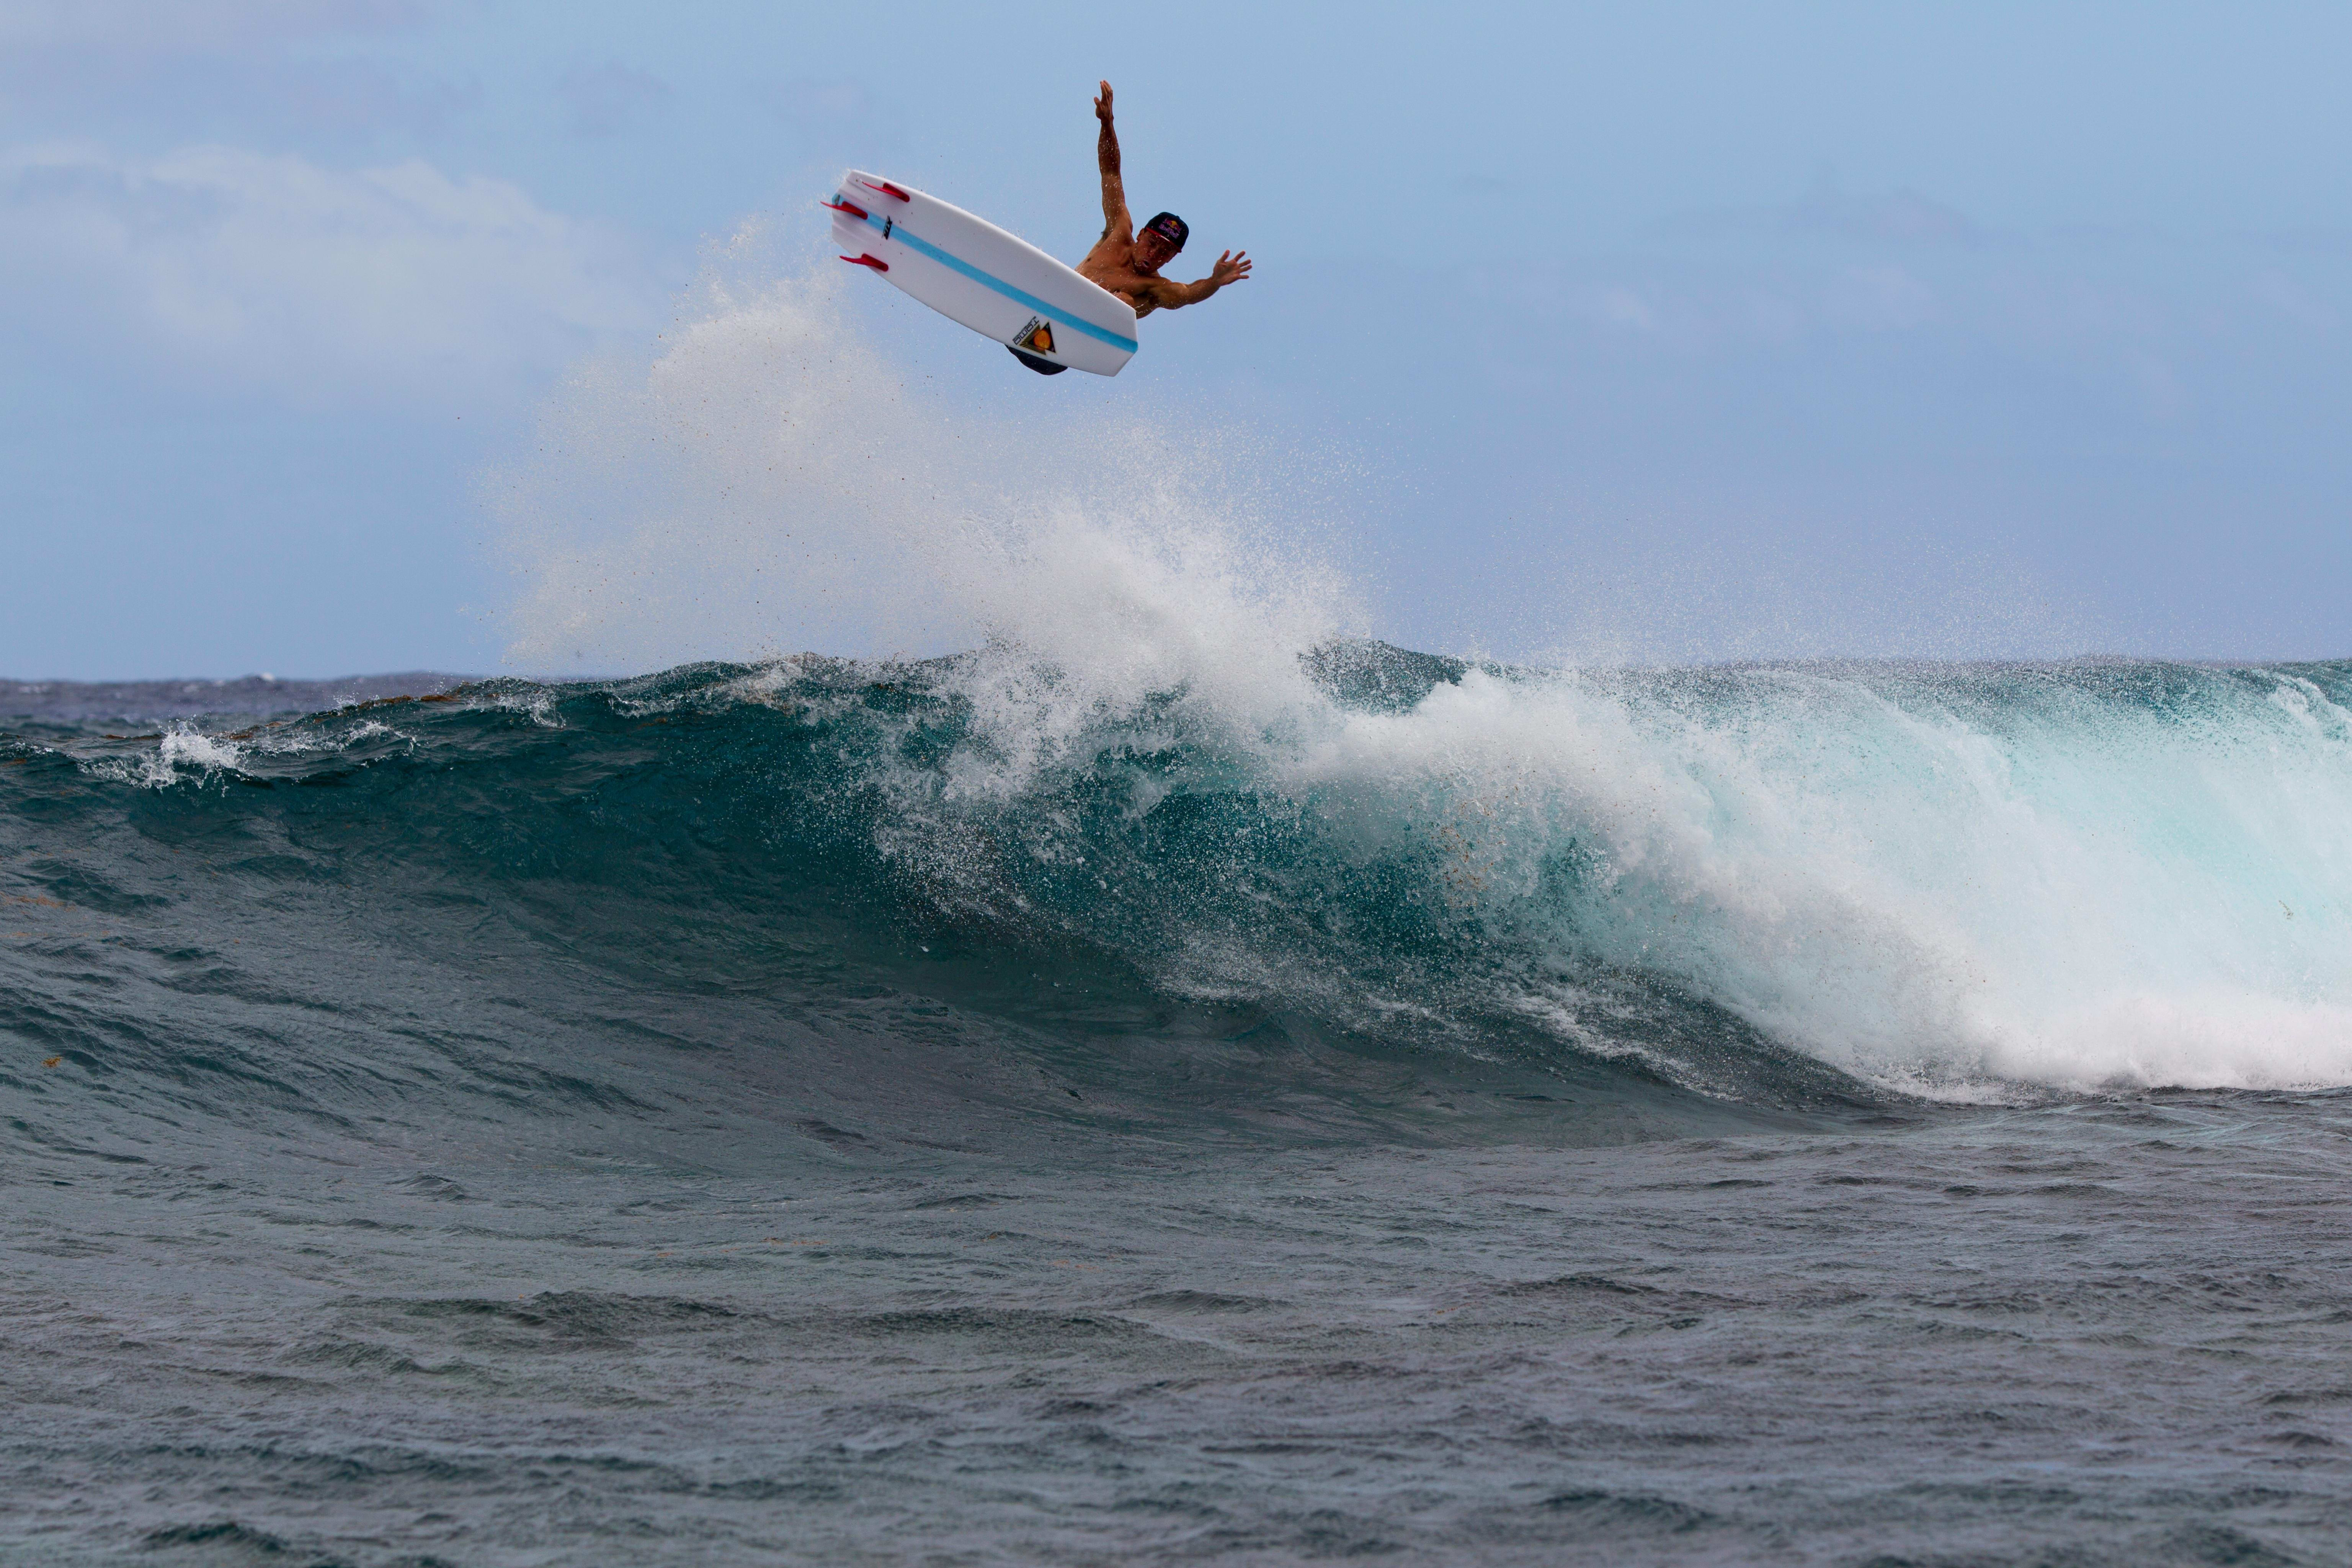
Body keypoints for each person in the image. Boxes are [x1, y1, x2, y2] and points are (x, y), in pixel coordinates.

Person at [1075, 81, 1250, 320]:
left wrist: (1214, 282)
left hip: (1086, 333)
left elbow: (1188, 294)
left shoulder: (1154, 289)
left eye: (1166, 252)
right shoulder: (1119, 232)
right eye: (1153, 243)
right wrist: (1107, 124)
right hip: (1054, 308)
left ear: (1172, 258)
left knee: (1125, 300)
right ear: (1141, 235)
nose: (1155, 253)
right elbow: (1111, 174)